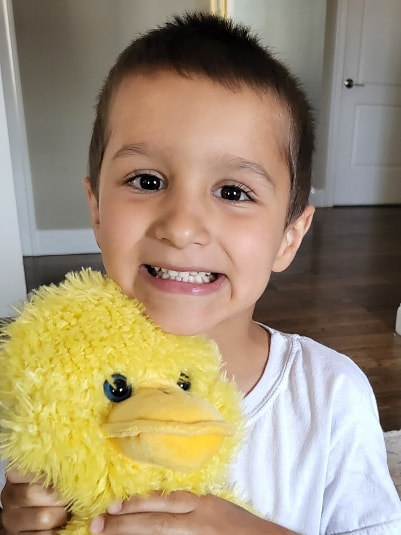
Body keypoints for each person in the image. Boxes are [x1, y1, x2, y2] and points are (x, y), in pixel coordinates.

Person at [1, 12, 400, 535]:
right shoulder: (42, 385)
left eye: (234, 192)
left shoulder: (329, 394)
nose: (182, 226)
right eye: (146, 180)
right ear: (97, 210)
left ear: (289, 237)